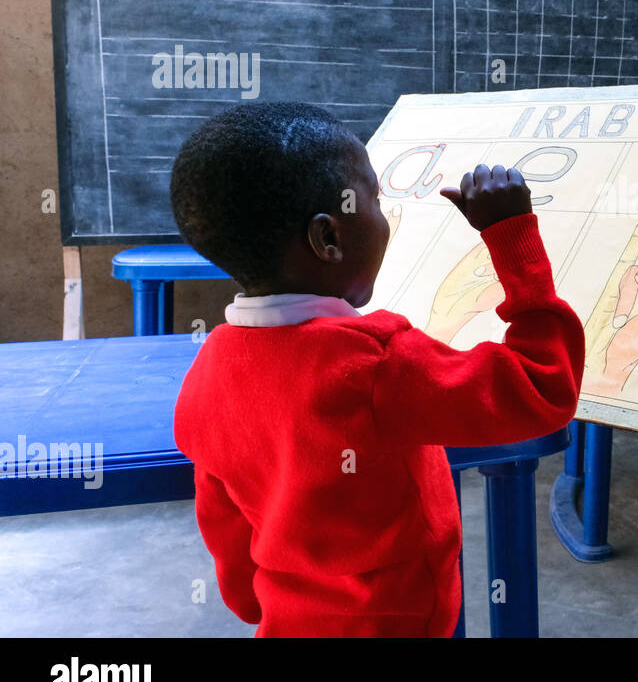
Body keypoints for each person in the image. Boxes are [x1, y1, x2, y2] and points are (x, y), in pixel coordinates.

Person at [170, 101, 584, 636]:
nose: (385, 217)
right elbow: (542, 387)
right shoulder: (375, 363)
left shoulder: (207, 372)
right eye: (376, 200)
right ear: (329, 240)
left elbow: (226, 531)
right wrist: (512, 237)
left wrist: (268, 606)